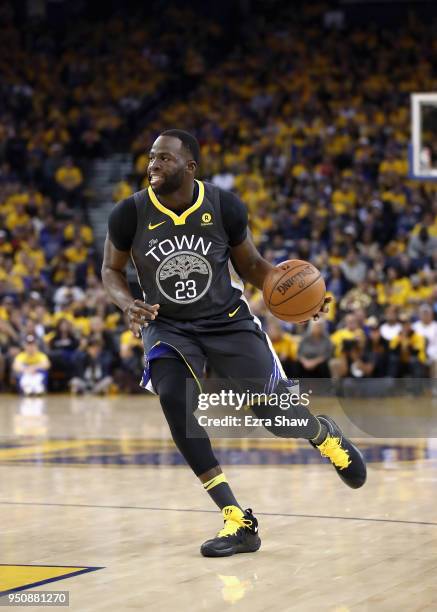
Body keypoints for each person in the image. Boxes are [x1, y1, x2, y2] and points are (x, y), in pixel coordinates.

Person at [101, 129, 366, 558]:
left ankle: (323, 434)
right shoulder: (128, 213)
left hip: (227, 320)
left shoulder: (224, 206)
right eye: (151, 157)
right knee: (174, 400)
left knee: (276, 417)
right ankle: (237, 519)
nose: (153, 165)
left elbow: (254, 267)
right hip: (167, 325)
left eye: (164, 159)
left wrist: (305, 302)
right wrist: (126, 302)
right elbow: (110, 270)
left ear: (190, 168)